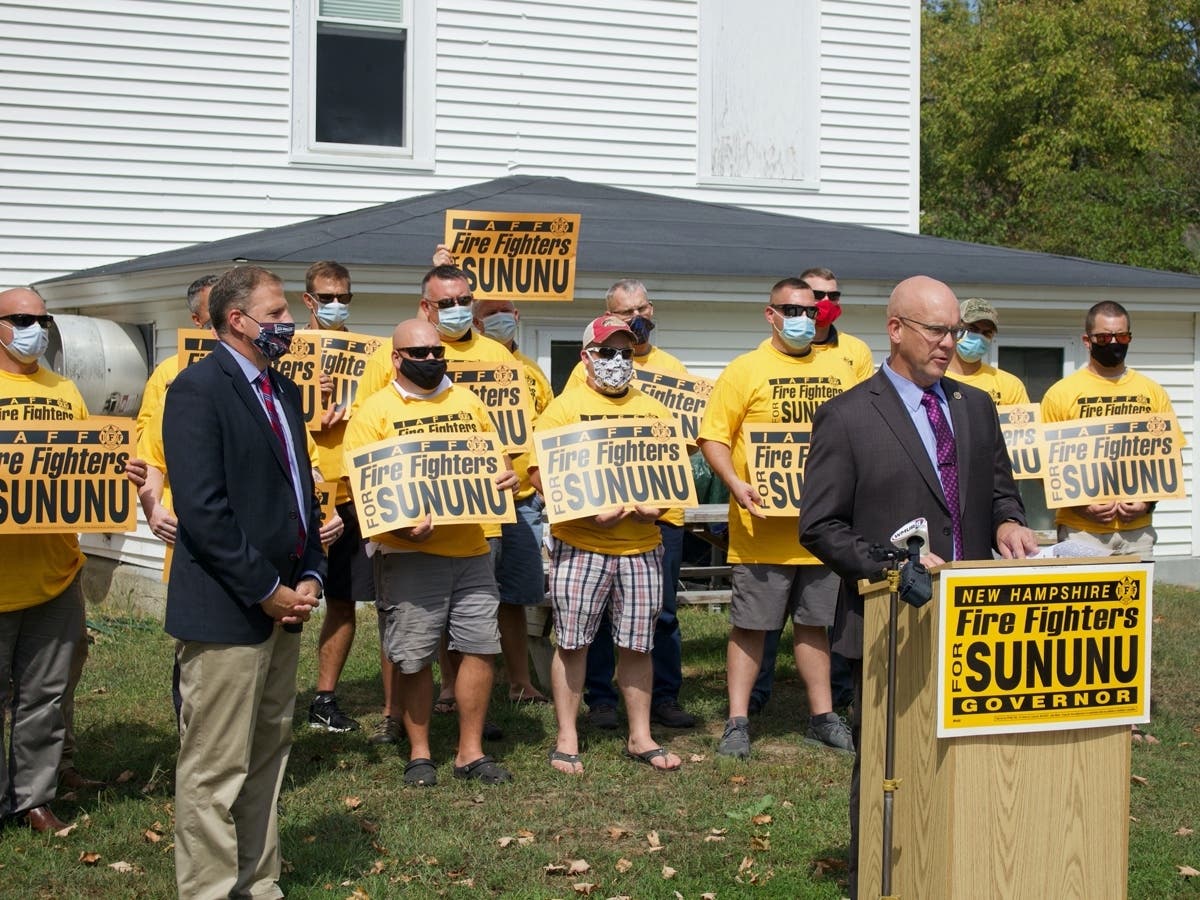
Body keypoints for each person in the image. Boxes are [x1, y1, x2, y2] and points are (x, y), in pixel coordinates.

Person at [798, 274, 1038, 899]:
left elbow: (999, 488)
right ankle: (878, 881)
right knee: (889, 767)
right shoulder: (848, 416)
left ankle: (971, 869)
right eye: (937, 330)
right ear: (896, 329)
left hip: (978, 619)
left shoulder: (976, 406)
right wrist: (889, 564)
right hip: (892, 621)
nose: (949, 343)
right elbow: (820, 527)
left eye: (955, 331)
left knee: (974, 757)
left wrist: (1010, 519)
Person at [163, 265, 325, 898]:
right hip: (228, 609)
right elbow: (204, 510)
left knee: (266, 755)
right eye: (279, 313)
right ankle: (207, 889)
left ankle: (258, 884)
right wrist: (264, 588)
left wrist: (309, 572)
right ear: (239, 320)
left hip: (287, 606)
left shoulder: (282, 391)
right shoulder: (197, 390)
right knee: (213, 767)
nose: (289, 323)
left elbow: (299, 491)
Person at [345, 318, 519, 787]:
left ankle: (470, 752)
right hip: (407, 555)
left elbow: (498, 463)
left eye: (436, 352)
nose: (430, 360)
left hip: (472, 549)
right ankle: (420, 753)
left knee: (481, 648)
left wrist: (508, 477)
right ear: (397, 358)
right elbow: (364, 490)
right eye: (418, 353)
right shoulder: (374, 412)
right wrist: (403, 527)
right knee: (414, 656)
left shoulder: (468, 401)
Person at [699, 277, 864, 759]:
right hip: (761, 529)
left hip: (821, 529)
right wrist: (735, 483)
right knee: (752, 626)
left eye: (810, 312)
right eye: (791, 311)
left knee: (816, 627)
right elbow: (714, 437)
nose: (802, 320)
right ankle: (737, 722)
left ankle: (822, 717)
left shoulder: (841, 368)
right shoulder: (744, 369)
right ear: (769, 315)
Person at [530, 315, 683, 774]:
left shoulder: (655, 410)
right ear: (587, 357)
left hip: (642, 548)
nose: (617, 361)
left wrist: (658, 507)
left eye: (626, 352)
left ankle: (640, 736)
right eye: (607, 352)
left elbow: (668, 475)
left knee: (639, 645)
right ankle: (567, 737)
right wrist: (581, 509)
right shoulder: (562, 409)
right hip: (581, 546)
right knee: (573, 643)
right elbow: (537, 473)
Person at [570, 279, 697, 731]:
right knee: (601, 615)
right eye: (625, 314)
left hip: (661, 515)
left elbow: (685, 442)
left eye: (641, 309)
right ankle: (602, 699)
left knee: (660, 612)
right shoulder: (587, 369)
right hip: (601, 516)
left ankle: (664, 696)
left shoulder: (674, 369)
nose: (636, 318)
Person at [749, 267, 874, 716]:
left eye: (829, 297)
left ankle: (833, 702)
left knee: (821, 618)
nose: (819, 307)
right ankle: (755, 699)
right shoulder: (753, 365)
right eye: (809, 300)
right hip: (768, 522)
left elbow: (865, 420)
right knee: (757, 623)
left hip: (828, 515)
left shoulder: (851, 355)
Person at [434, 243, 552, 705]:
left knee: (513, 599)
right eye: (451, 303)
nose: (459, 311)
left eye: (466, 302)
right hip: (456, 503)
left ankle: (519, 681)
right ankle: (448, 684)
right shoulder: (427, 351)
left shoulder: (509, 362)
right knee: (452, 602)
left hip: (518, 501)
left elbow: (541, 424)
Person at [0, 287, 89, 833]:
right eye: (21, 319)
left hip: (55, 576)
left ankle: (32, 799)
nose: (34, 327)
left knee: (45, 697)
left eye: (42, 319)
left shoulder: (65, 389)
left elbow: (86, 462)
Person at [300, 260, 376, 736]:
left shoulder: (371, 353)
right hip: (301, 491)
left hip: (352, 491)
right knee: (280, 599)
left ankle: (324, 699)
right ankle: (266, 695)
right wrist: (310, 399)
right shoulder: (286, 348)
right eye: (326, 297)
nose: (335, 305)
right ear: (308, 300)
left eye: (343, 298)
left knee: (345, 600)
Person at [1040, 300, 1175, 556]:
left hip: (1138, 533)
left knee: (1135, 597)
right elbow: (1043, 466)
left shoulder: (1152, 392)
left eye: (1121, 336)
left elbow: (1169, 457)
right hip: (1081, 530)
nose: (1113, 343)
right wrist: (1080, 504)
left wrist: (1147, 503)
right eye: (1103, 337)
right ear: (1087, 340)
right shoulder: (1060, 394)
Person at [945, 297, 1030, 405]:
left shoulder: (1010, 385)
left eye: (986, 333)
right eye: (973, 329)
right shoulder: (934, 380)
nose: (979, 337)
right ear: (956, 328)